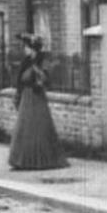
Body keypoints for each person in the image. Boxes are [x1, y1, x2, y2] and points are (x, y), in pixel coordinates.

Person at [8, 34, 70, 170]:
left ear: (33, 48)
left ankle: (42, 159)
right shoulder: (26, 62)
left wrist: (39, 77)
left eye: (26, 47)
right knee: (24, 128)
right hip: (26, 97)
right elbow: (19, 80)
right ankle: (21, 160)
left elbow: (46, 80)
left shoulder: (42, 61)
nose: (24, 50)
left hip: (37, 98)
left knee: (39, 127)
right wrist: (18, 94)